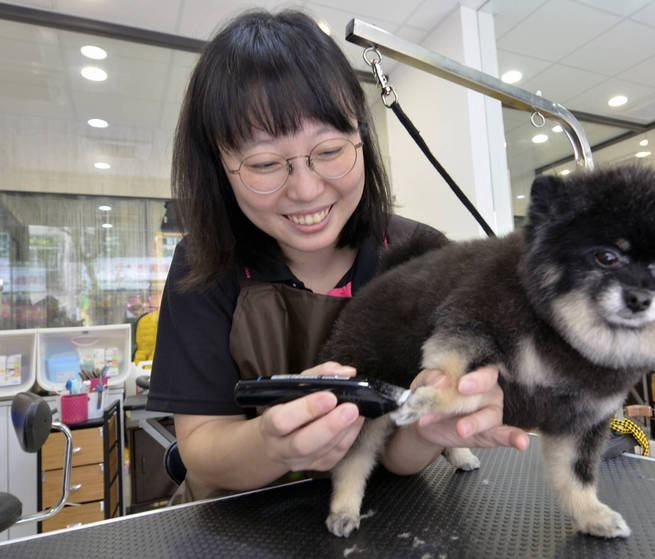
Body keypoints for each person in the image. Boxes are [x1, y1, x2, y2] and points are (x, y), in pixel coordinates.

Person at [145, 9, 528, 504]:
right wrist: (272, 444)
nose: (306, 190)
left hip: (385, 521)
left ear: (361, 137)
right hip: (235, 525)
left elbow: (399, 455)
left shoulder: (423, 257)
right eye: (264, 164)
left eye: (328, 151)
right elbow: (201, 450)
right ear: (218, 166)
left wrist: (432, 429)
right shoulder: (204, 266)